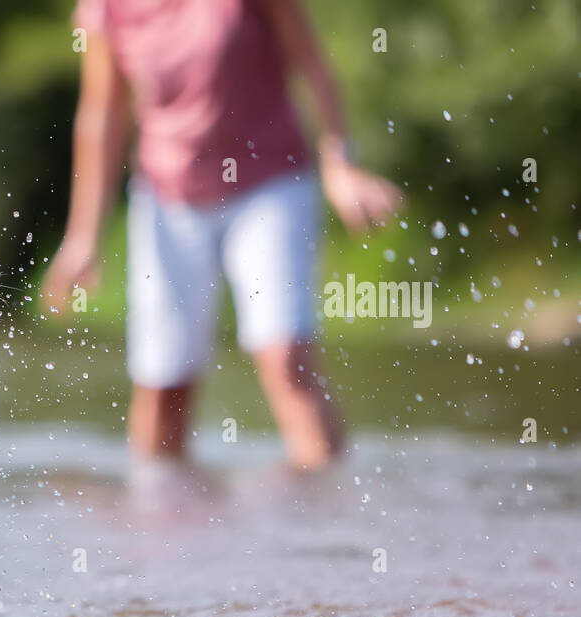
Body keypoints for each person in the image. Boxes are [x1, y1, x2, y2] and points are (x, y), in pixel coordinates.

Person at [42, 0, 403, 469]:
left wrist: (339, 163)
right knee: (163, 385)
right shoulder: (109, 7)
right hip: (168, 196)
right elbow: (103, 114)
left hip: (270, 186)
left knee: (286, 360)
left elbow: (311, 61)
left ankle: (325, 526)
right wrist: (82, 236)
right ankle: (161, 526)